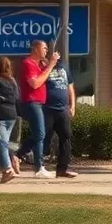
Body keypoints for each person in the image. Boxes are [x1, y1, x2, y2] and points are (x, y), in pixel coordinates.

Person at [16, 39, 59, 179]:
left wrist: (49, 65)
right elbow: (35, 83)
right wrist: (50, 65)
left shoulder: (38, 65)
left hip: (40, 102)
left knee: (38, 134)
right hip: (31, 102)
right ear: (35, 49)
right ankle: (37, 166)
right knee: (40, 134)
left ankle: (19, 156)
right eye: (44, 48)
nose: (46, 51)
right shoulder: (28, 63)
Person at [42, 50, 76, 178]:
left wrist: (72, 105)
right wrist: (49, 64)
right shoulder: (44, 67)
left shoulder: (64, 68)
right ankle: (39, 166)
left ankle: (62, 168)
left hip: (62, 110)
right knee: (45, 137)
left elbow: (70, 87)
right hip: (47, 109)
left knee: (66, 137)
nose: (57, 57)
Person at [0, 57, 20, 183]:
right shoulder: (12, 81)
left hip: (1, 113)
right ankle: (9, 166)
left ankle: (8, 170)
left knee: (1, 142)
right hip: (12, 114)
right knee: (5, 142)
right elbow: (17, 96)